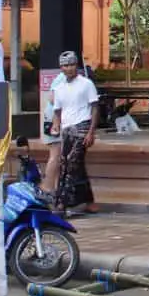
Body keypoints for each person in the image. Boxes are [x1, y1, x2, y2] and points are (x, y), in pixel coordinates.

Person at [52, 50, 101, 214]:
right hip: (67, 129)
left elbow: (94, 107)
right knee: (68, 164)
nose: (69, 68)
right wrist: (56, 124)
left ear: (76, 65)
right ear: (61, 68)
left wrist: (91, 132)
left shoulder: (86, 84)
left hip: (82, 126)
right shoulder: (58, 88)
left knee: (72, 163)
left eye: (72, 64)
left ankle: (62, 203)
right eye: (65, 65)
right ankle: (89, 200)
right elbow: (57, 110)